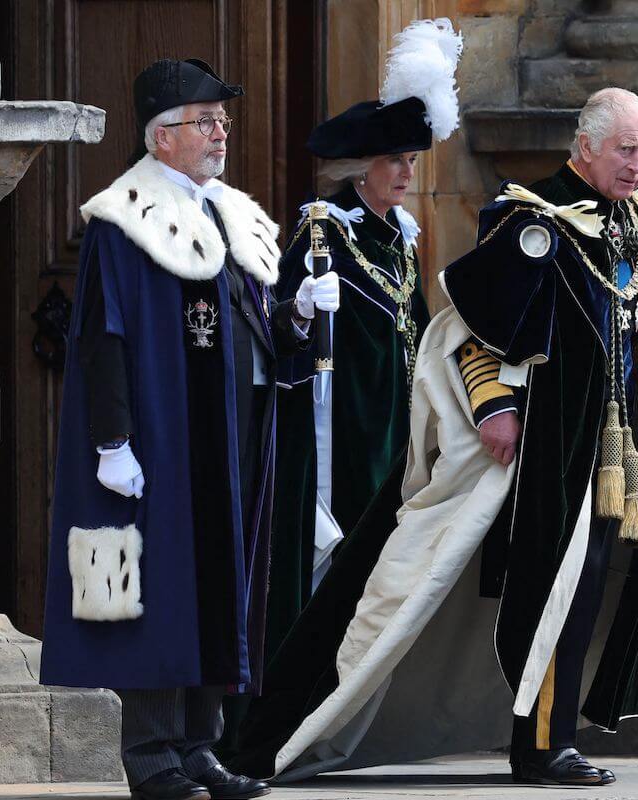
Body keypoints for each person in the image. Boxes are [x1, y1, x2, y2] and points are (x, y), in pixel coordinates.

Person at [223, 87, 638, 789]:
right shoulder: (529, 218)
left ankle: (546, 743)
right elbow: (470, 326)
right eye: (627, 148)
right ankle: (281, 734)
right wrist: (494, 407)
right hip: (528, 452)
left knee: (580, 592)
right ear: (586, 146)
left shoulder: (626, 222)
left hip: (596, 447)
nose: (637, 163)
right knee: (442, 578)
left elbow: (634, 307)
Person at [38, 58, 338, 800]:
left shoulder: (226, 212)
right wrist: (112, 442)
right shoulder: (122, 217)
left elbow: (253, 327)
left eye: (222, 121)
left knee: (218, 582)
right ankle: (152, 756)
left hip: (230, 433)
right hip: (163, 435)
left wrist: (297, 310)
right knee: (161, 588)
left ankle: (201, 745)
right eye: (206, 121)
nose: (220, 133)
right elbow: (103, 336)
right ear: (162, 136)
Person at [258, 18, 460, 667]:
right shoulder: (324, 236)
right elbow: (272, 326)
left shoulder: (398, 238)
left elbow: (421, 331)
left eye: (410, 159)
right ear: (361, 166)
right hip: (341, 434)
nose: (405, 172)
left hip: (395, 433)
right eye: (394, 160)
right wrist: (297, 309)